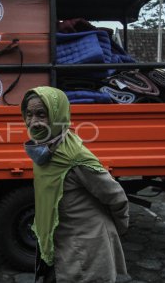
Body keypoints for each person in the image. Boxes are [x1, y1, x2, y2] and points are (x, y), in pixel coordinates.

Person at [21, 86, 129, 283]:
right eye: (28, 114)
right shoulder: (46, 148)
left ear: (57, 115)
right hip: (56, 241)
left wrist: (118, 229)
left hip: (83, 249)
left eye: (41, 114)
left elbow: (115, 195)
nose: (32, 122)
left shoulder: (74, 156)